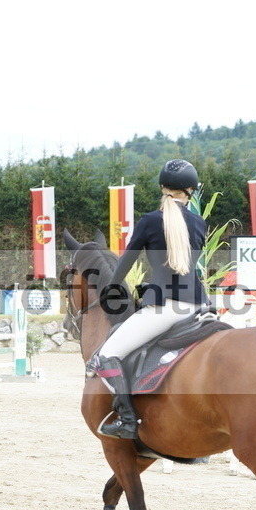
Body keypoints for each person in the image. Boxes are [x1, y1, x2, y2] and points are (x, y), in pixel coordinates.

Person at [92, 159, 211, 440]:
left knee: (107, 355)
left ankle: (128, 421)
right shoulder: (199, 222)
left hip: (165, 308)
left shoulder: (149, 221)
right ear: (191, 191)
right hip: (200, 305)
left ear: (162, 187)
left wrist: (111, 287)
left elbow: (125, 263)